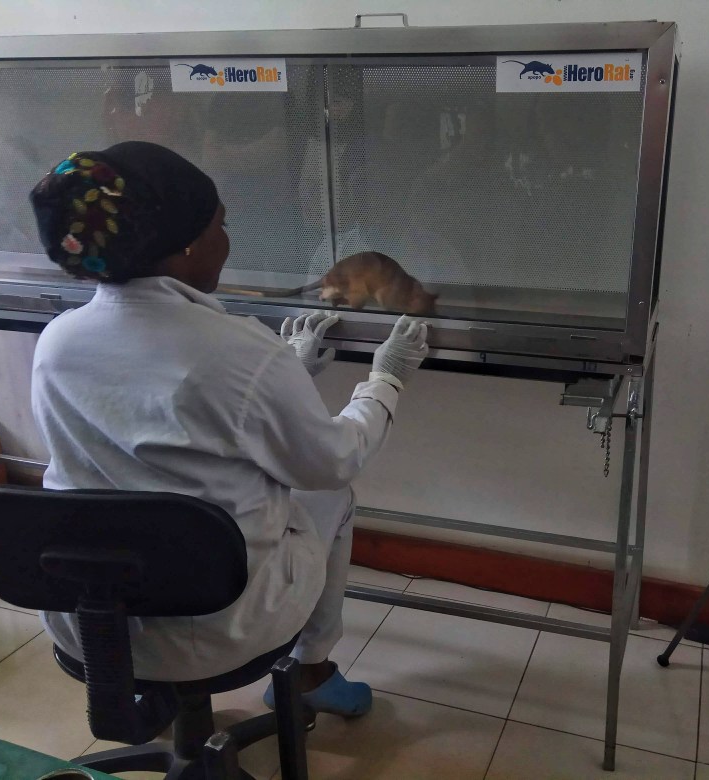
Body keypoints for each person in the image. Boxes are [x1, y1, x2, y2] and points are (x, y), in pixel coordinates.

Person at [27, 140, 429, 719]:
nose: (227, 240)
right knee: (331, 493)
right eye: (220, 224)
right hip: (219, 622)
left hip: (92, 623)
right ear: (185, 243)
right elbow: (332, 459)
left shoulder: (58, 341)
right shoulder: (237, 350)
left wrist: (284, 372)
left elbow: (175, 424)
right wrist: (385, 379)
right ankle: (311, 671)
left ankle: (153, 693)